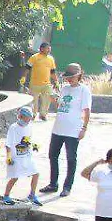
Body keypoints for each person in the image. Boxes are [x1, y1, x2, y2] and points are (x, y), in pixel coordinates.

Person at [41, 63, 92, 197]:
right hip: (58, 127)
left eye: (72, 77)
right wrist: (54, 99)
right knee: (53, 155)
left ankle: (67, 186)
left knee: (71, 158)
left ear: (79, 76)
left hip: (73, 130)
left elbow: (87, 111)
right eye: (68, 77)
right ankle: (53, 184)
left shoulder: (84, 90)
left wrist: (84, 128)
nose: (69, 80)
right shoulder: (65, 89)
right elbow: (61, 106)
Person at [3, 106, 42, 206]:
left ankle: (32, 195)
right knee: (14, 177)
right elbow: (8, 144)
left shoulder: (29, 127)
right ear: (20, 117)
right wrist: (8, 157)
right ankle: (6, 196)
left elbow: (29, 139)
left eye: (29, 119)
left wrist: (34, 145)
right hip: (16, 157)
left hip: (27, 156)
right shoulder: (13, 128)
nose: (28, 121)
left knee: (36, 174)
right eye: (26, 118)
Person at [23, 42, 59, 121]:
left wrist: (56, 81)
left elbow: (52, 72)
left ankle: (43, 114)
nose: (49, 50)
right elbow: (27, 68)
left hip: (46, 84)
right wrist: (24, 77)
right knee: (34, 100)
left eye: (49, 48)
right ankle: (33, 114)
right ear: (42, 49)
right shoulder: (34, 57)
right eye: (47, 48)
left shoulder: (51, 59)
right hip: (34, 84)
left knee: (47, 99)